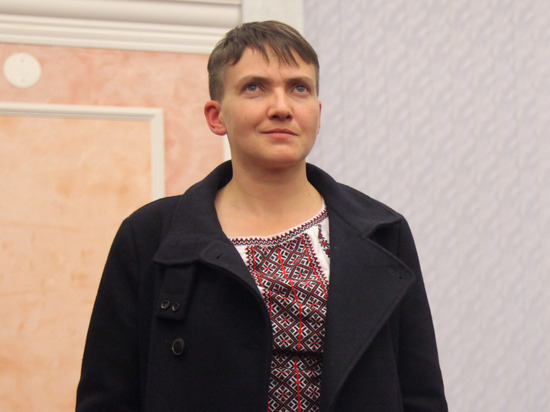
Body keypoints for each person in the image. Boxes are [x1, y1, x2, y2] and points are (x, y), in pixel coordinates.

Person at [76, 20, 447, 411]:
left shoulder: (383, 233)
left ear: (318, 114)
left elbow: (419, 394)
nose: (282, 108)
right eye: (254, 87)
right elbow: (108, 398)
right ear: (216, 116)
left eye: (299, 88)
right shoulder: (149, 237)